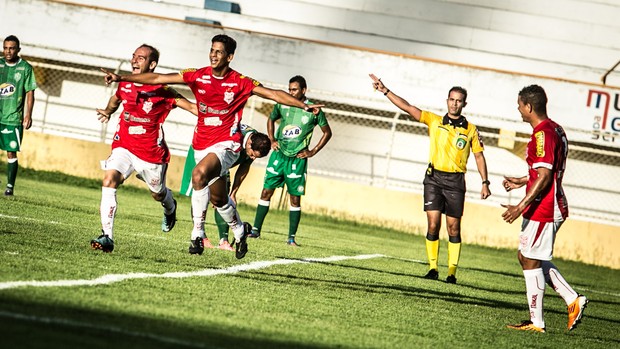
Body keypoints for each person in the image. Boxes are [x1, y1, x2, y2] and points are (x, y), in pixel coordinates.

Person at [102, 34, 323, 259]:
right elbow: (158, 78)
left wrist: (303, 106)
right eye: (212, 50)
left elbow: (274, 94)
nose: (213, 55)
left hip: (226, 144)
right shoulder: (197, 76)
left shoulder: (240, 81)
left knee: (198, 176)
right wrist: (120, 77)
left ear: (230, 56)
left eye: (219, 52)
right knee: (219, 200)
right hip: (202, 145)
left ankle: (196, 234)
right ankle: (239, 230)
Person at [369, 74, 491, 284]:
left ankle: (451, 272)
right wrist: (385, 91)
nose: (454, 103)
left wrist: (485, 182)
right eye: (451, 99)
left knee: (453, 227)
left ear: (464, 104)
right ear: (447, 101)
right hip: (433, 179)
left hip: (455, 182)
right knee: (433, 224)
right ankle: (433, 268)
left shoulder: (470, 129)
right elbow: (408, 107)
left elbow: (479, 155)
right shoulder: (434, 121)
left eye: (458, 100)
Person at [91, 44, 197, 253]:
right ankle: (107, 236)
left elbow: (192, 107)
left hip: (151, 154)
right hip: (124, 145)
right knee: (109, 179)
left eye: (141, 58)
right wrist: (108, 111)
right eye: (133, 57)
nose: (134, 61)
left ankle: (170, 207)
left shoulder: (164, 90)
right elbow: (115, 100)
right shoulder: (125, 84)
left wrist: (218, 116)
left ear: (152, 64)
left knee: (157, 194)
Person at [502, 84, 587, 333]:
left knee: (529, 259)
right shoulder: (555, 129)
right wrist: (521, 181)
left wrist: (519, 206)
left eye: (520, 105)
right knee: (526, 257)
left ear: (529, 106)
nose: (518, 109)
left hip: (545, 207)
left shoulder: (542, 134)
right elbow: (543, 171)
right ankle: (572, 300)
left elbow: (545, 175)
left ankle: (538, 321)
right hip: (548, 203)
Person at [249, 75, 332, 246]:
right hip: (278, 156)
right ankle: (255, 231)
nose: (291, 92)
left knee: (294, 198)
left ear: (303, 90)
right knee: (266, 192)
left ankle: (291, 238)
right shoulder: (282, 104)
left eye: (294, 89)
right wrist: (272, 140)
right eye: (289, 89)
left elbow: (327, 132)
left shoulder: (314, 111)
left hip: (297, 159)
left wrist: (313, 151)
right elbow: (271, 119)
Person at [181, 124, 271, 251]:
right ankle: (201, 236)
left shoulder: (257, 140)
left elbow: (244, 167)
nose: (253, 158)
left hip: (224, 161)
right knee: (200, 191)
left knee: (220, 199)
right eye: (252, 154)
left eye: (256, 157)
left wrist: (233, 193)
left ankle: (227, 238)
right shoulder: (234, 136)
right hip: (207, 153)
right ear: (249, 144)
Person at [0, 35, 37, 196]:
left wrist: (28, 115)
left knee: (11, 152)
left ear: (18, 50)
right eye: (6, 48)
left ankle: (9, 187)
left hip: (14, 117)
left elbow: (30, 92)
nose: (8, 51)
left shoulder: (26, 68)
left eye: (12, 48)